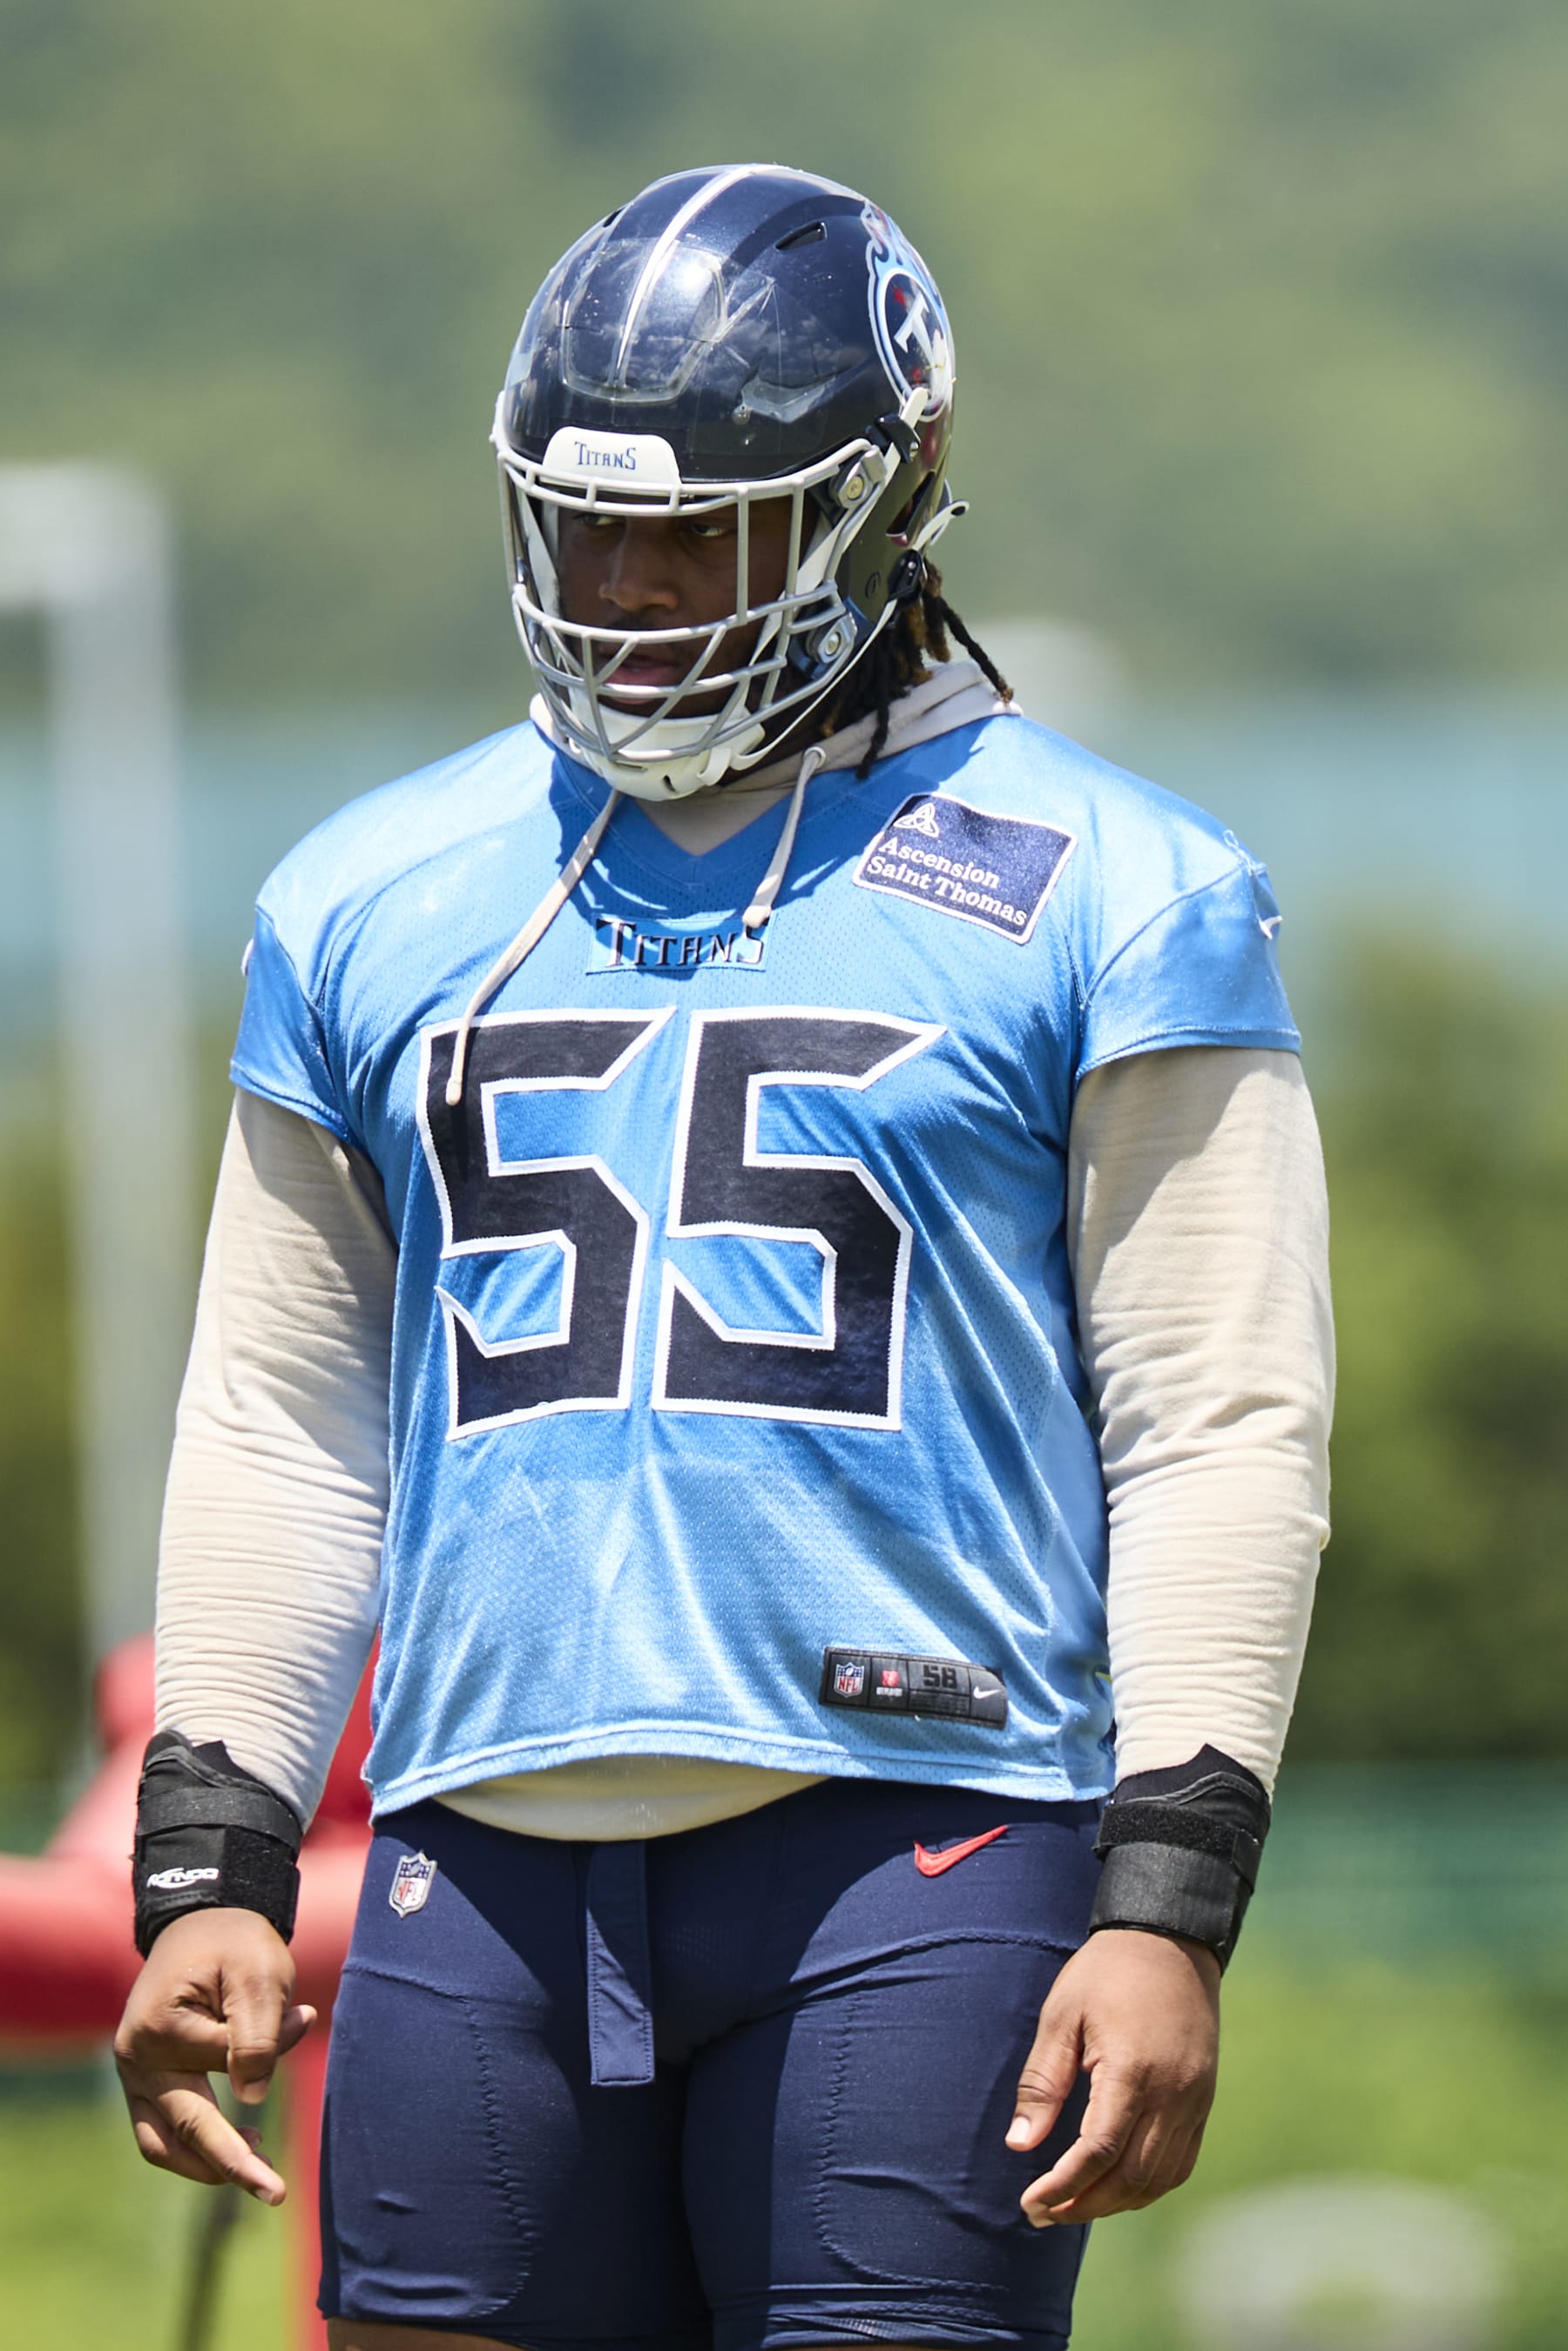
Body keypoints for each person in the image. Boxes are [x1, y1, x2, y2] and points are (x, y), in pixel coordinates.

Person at [115, 165, 1333, 2351]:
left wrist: (1172, 1895)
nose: (635, 590)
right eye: (589, 530)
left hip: (921, 1840)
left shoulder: (1125, 886)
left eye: (708, 531)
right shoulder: (369, 895)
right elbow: (285, 1420)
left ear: (883, 509)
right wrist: (211, 1850)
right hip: (474, 1849)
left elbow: (1219, 1420)